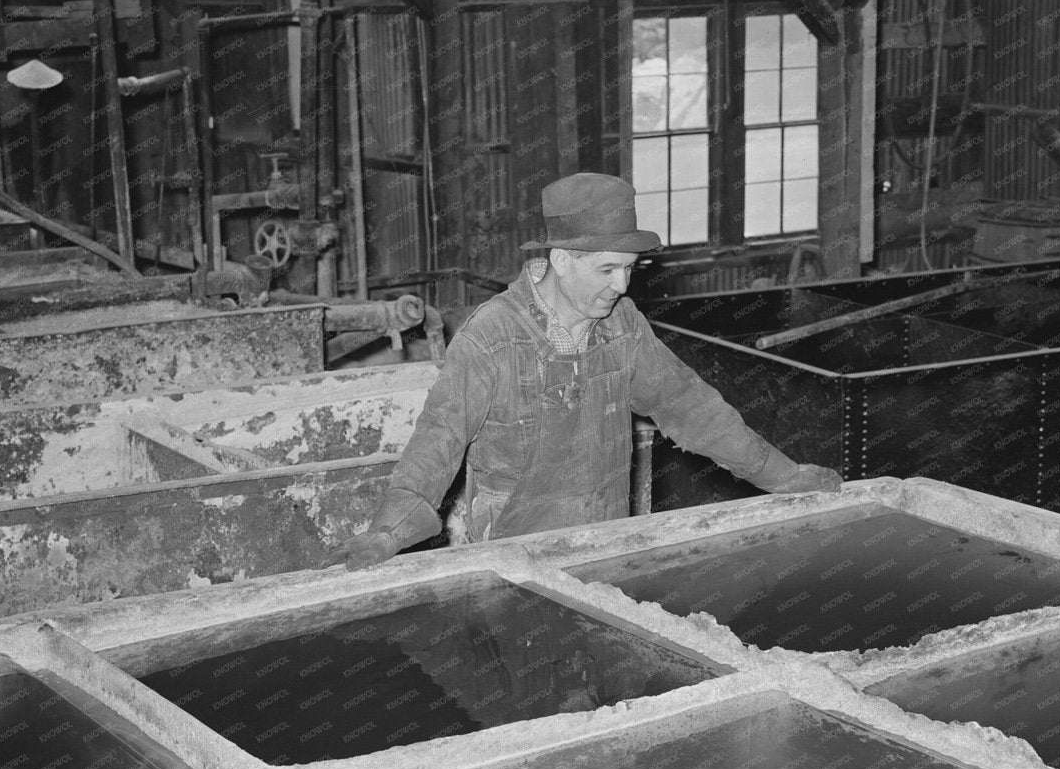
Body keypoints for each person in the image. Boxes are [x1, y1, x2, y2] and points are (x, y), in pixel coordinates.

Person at [326, 172, 841, 570]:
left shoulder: (622, 326)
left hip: (606, 547)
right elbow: (436, 441)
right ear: (562, 260)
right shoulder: (493, 339)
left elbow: (691, 407)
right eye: (607, 270)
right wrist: (387, 534)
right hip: (516, 561)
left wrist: (784, 476)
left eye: (629, 269)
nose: (623, 286)